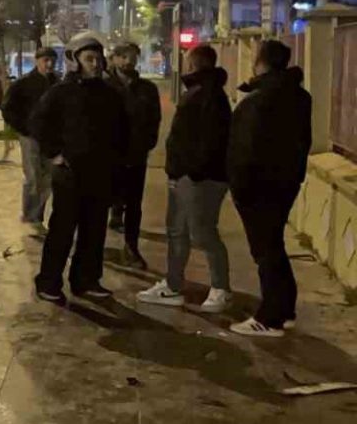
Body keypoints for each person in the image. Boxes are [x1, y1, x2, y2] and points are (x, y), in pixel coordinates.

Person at [30, 33, 130, 305]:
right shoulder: (61, 92)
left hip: (100, 173)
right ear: (75, 60)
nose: (95, 64)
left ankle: (86, 280)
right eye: (89, 59)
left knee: (94, 231)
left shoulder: (110, 94)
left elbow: (122, 131)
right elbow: (38, 123)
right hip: (70, 175)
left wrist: (119, 163)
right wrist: (54, 154)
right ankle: (49, 282)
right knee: (62, 230)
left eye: (98, 59)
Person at [137, 45, 232, 313]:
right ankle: (173, 285)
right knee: (177, 230)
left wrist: (191, 171)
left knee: (202, 232)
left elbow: (206, 140)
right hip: (186, 175)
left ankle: (221, 288)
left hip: (199, 177)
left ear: (193, 64)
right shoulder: (200, 91)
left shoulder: (208, 94)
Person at [227, 40, 312, 338]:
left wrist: (238, 187)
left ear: (261, 62)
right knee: (274, 246)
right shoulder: (299, 96)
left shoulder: (259, 101)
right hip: (285, 182)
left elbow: (244, 150)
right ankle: (284, 309)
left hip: (259, 187)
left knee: (265, 251)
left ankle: (269, 317)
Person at [106, 42, 162, 268]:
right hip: (108, 157)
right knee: (101, 201)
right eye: (123, 56)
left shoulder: (147, 89)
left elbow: (154, 119)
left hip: (135, 155)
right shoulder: (103, 87)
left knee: (134, 204)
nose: (128, 61)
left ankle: (131, 247)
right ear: (114, 58)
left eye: (133, 57)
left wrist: (146, 144)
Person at [1, 46, 59, 235]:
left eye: (52, 61)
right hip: (30, 137)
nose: (49, 64)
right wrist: (23, 129)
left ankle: (34, 215)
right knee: (33, 176)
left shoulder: (58, 84)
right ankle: (31, 217)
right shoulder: (23, 83)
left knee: (48, 178)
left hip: (50, 138)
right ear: (37, 61)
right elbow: (7, 108)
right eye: (45, 60)